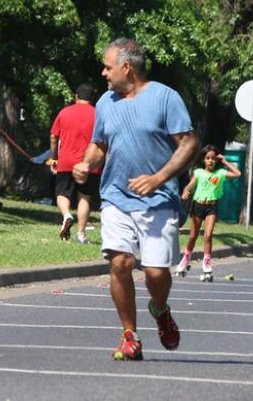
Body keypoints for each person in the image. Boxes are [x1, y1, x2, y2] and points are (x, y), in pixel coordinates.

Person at [72, 38, 197, 361]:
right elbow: (99, 143)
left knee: (156, 272)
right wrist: (87, 163)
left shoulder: (166, 98)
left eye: (108, 66)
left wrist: (158, 178)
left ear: (127, 68)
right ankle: (129, 334)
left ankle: (160, 310)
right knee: (120, 262)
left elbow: (188, 144)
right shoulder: (104, 103)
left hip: (160, 200)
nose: (103, 73)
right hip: (115, 197)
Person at [47, 84, 100, 243]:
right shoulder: (98, 114)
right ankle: (81, 234)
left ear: (76, 96)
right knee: (84, 198)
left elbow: (53, 137)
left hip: (66, 161)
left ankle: (66, 215)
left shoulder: (64, 112)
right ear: (93, 98)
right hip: (89, 163)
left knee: (62, 193)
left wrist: (54, 157)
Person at [177, 145, 242, 277]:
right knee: (193, 236)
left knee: (208, 235)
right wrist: (185, 192)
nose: (210, 160)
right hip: (198, 206)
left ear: (216, 160)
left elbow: (238, 174)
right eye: (207, 158)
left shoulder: (220, 173)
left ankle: (206, 262)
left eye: (213, 158)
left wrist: (225, 161)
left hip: (211, 207)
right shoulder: (198, 172)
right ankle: (185, 259)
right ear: (204, 160)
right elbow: (189, 186)